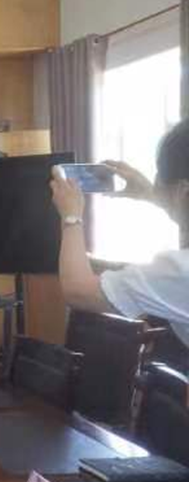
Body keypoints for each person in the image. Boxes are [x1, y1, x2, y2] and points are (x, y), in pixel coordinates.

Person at [50, 119, 188, 347]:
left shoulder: (181, 269)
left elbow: (78, 291)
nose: (157, 183)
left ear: (183, 191)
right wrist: (152, 194)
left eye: (160, 178)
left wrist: (71, 216)